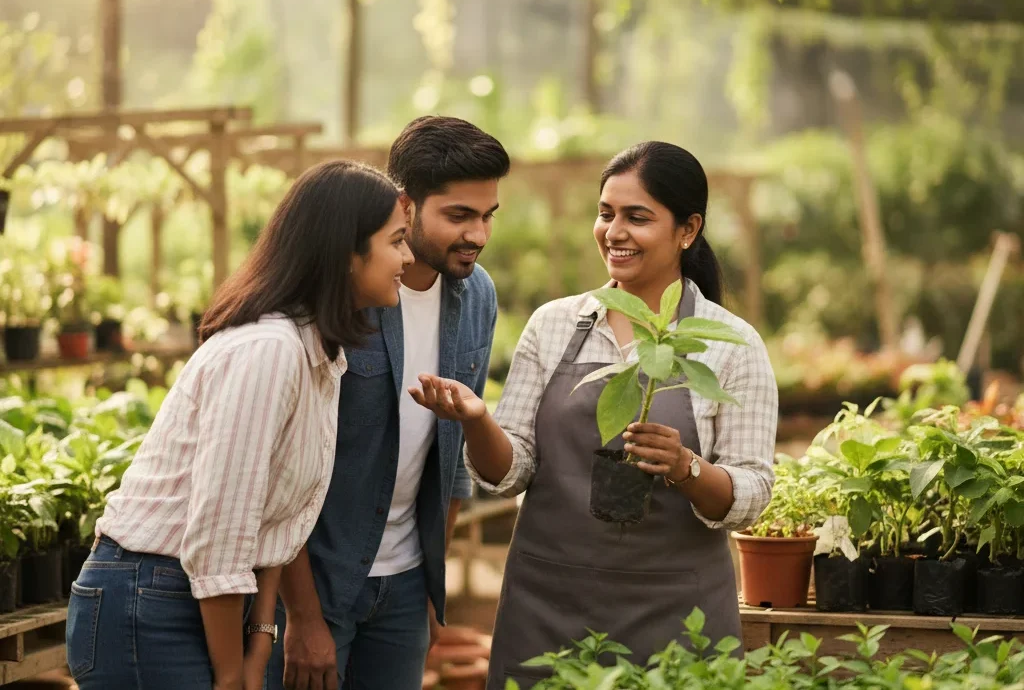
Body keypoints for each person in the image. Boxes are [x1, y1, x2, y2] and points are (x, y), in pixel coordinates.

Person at [411, 141, 779, 689]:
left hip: (678, 613)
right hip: (548, 606)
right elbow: (510, 470)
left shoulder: (730, 345)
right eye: (606, 214)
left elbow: (752, 492)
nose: (614, 231)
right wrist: (476, 420)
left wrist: (685, 467)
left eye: (638, 217)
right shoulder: (554, 325)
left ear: (688, 229)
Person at [65, 160, 414, 690]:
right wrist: (232, 675)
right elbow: (220, 529)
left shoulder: (321, 355)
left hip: (199, 596)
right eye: (397, 241)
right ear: (347, 253)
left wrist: (260, 637)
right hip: (152, 596)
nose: (407, 258)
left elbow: (279, 518)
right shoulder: (268, 352)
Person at [267, 116, 510, 690]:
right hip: (318, 574)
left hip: (405, 585)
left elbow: (451, 465)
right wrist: (301, 614)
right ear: (405, 205)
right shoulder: (347, 292)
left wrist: (430, 587)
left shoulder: (477, 295)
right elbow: (281, 470)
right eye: (458, 216)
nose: (477, 234)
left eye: (487, 216)